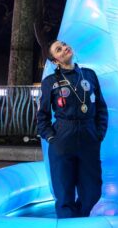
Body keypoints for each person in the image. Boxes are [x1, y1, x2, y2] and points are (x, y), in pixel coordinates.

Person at [37, 40, 108, 218]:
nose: (64, 48)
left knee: (92, 192)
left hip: (88, 136)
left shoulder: (89, 75)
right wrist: (53, 139)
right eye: (58, 50)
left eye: (64, 45)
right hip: (63, 139)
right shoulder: (50, 82)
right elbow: (42, 116)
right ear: (55, 61)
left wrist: (98, 133)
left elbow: (101, 107)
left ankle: (79, 219)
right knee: (64, 194)